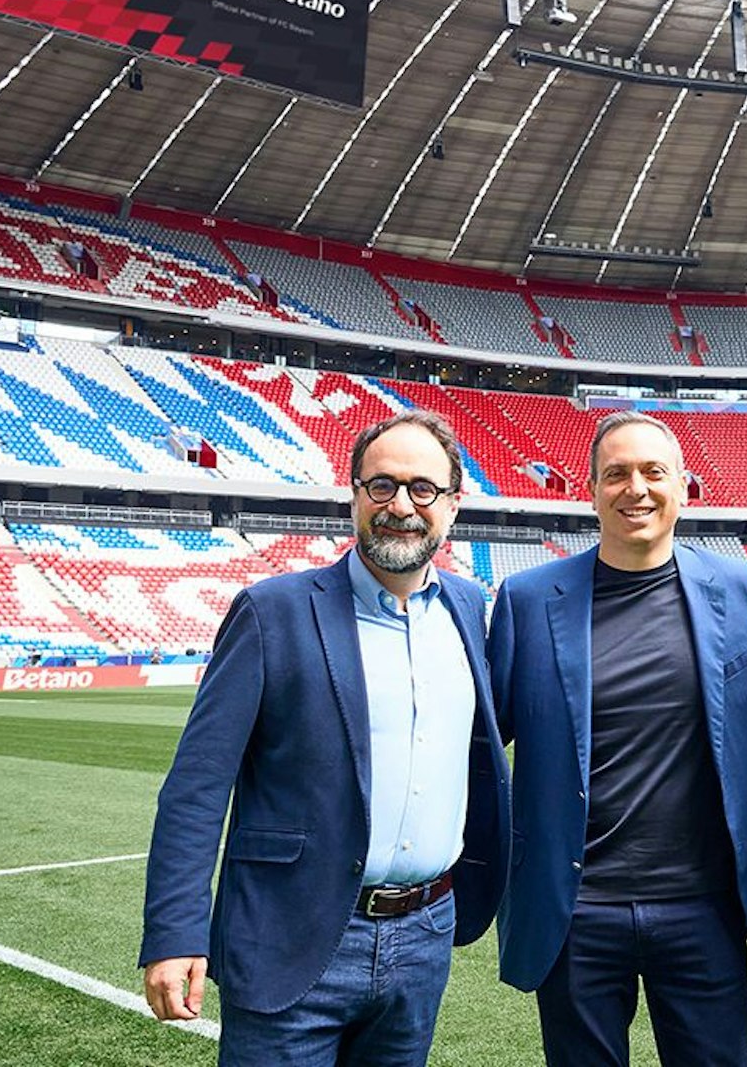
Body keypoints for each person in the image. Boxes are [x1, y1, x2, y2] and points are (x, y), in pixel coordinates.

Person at [139, 409, 509, 1066]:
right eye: (381, 485)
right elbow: (197, 784)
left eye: (423, 488)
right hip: (291, 930)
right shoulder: (272, 610)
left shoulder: (467, 606)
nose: (401, 506)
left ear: (454, 504)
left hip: (424, 936)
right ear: (355, 495)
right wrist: (174, 933)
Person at [487, 410, 747, 1067]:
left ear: (684, 486)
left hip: (705, 905)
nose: (637, 488)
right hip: (576, 910)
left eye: (654, 472)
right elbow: (479, 741)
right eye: (617, 473)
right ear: (591, 490)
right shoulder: (527, 599)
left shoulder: (741, 588)